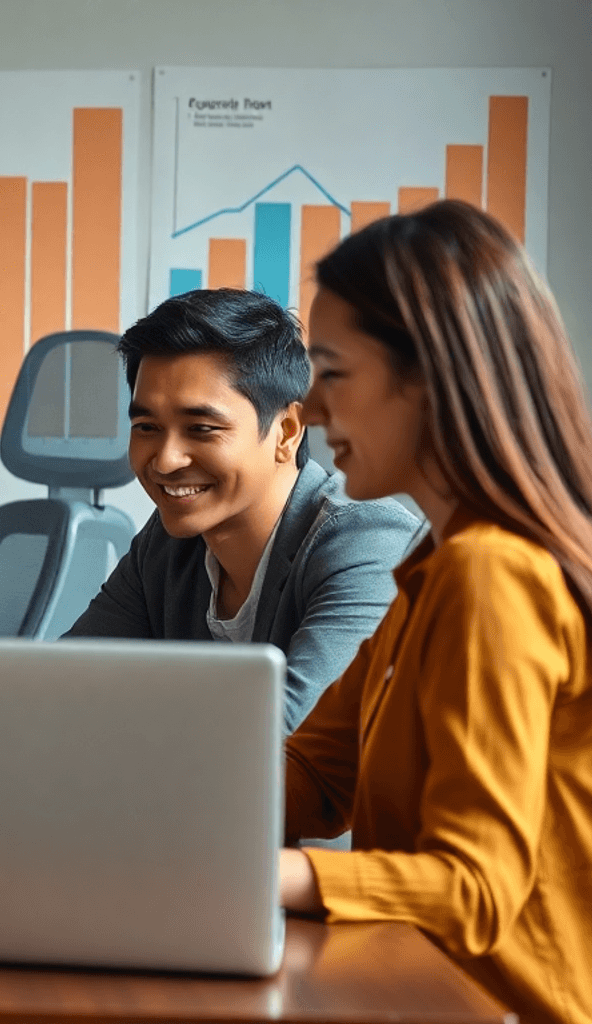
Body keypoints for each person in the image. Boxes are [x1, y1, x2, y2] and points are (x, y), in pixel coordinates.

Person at [278, 200, 592, 1024]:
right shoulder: (433, 569)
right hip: (419, 992)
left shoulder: (493, 575)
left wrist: (255, 873)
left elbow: (474, 890)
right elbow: (315, 774)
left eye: (332, 372)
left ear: (427, 377)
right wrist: (134, 814)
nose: (310, 409)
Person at [65, 288, 419, 733]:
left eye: (202, 428)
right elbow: (63, 687)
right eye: (147, 427)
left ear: (287, 432)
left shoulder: (368, 544)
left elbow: (291, 742)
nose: (166, 460)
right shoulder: (169, 543)